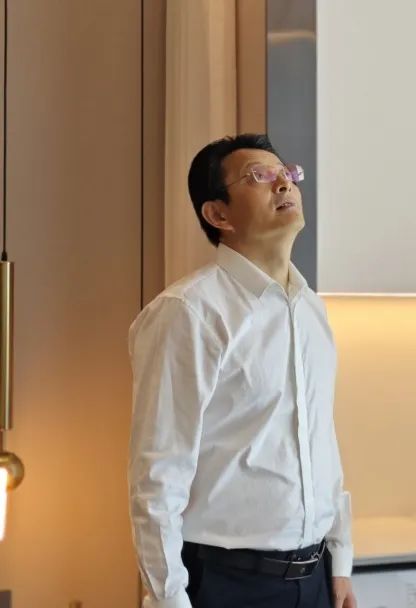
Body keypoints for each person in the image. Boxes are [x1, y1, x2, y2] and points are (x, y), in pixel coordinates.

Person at [128, 134, 355, 608]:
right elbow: (158, 474)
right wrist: (169, 599)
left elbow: (322, 442)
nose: (283, 184)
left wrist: (341, 558)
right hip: (228, 583)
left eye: (287, 173)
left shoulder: (312, 310)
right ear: (219, 214)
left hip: (316, 579)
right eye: (259, 176)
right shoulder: (188, 312)